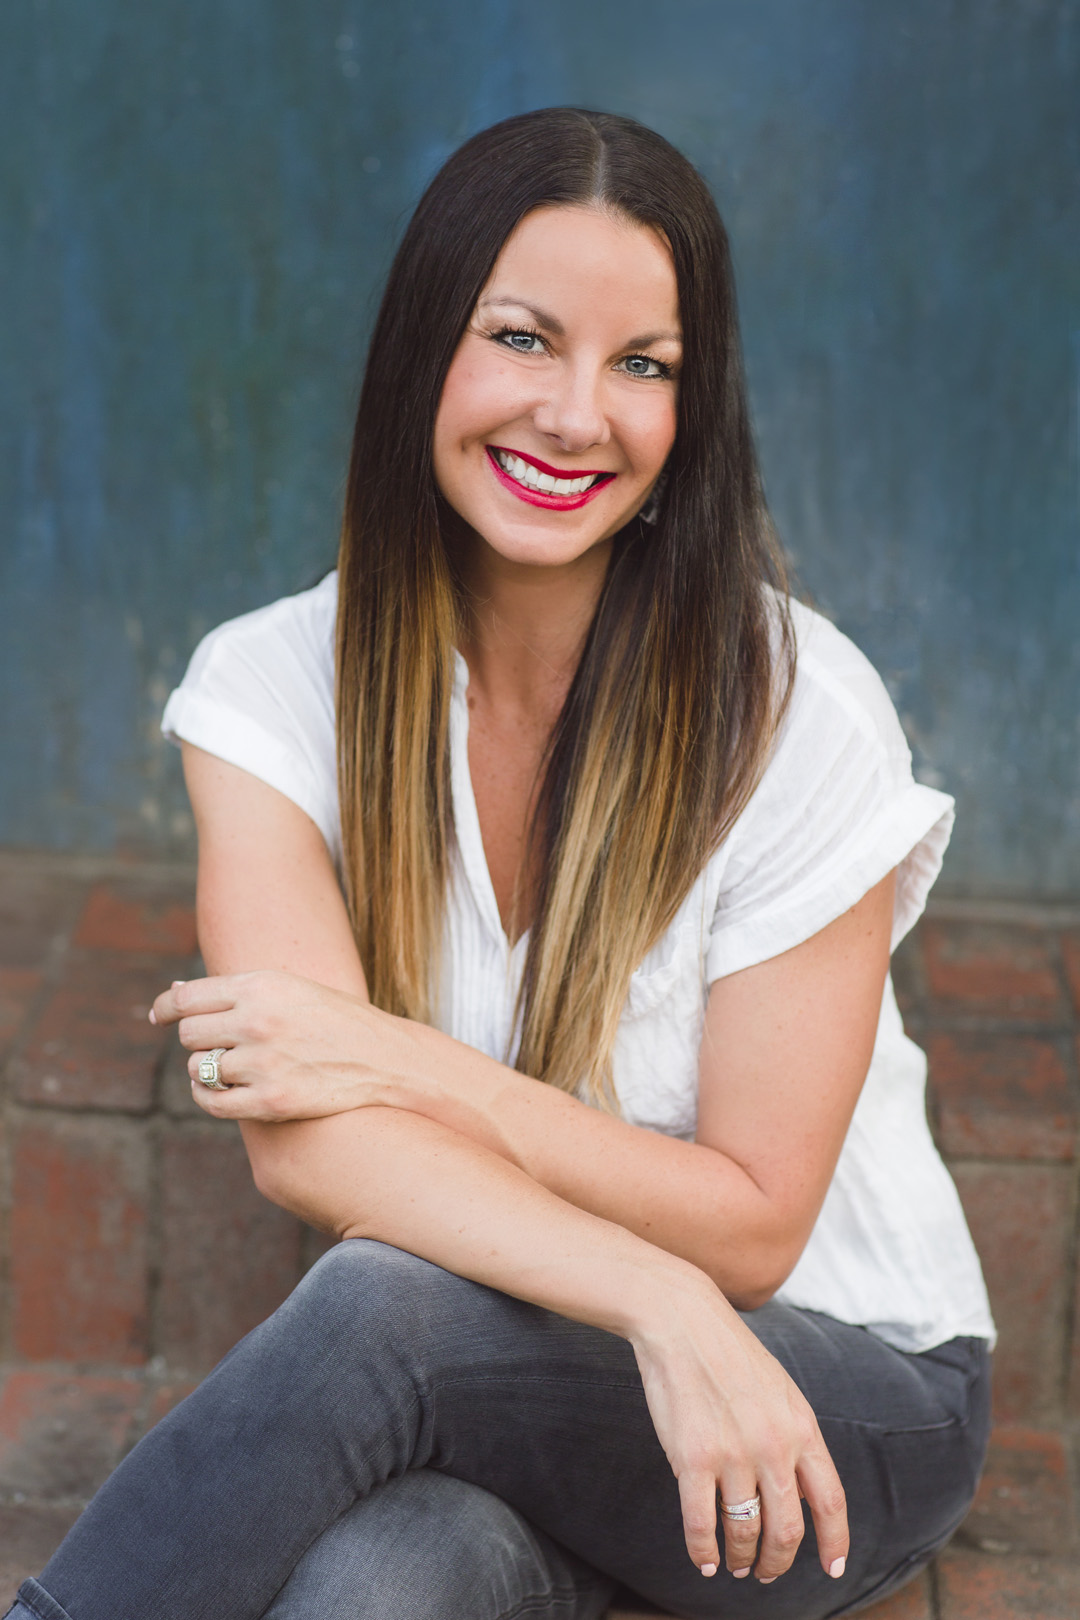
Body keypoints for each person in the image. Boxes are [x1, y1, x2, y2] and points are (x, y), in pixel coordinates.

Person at [7, 108, 993, 1620]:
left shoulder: (794, 704)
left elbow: (750, 1222)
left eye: (644, 364)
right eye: (523, 338)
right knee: (376, 1583)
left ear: (691, 411)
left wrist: (394, 1060)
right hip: (565, 1361)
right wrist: (650, 1294)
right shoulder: (270, 690)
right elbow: (308, 1143)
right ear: (422, 354)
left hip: (824, 1394)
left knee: (381, 1306)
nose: (577, 414)